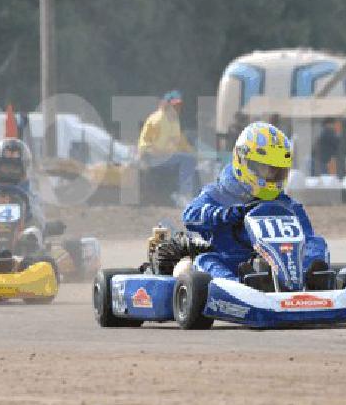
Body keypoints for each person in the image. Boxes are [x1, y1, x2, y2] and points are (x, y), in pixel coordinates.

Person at [182, 122, 329, 280]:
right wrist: (224, 214)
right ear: (243, 161)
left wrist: (311, 258)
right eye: (266, 169)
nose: (272, 177)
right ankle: (235, 290)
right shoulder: (219, 194)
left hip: (277, 265)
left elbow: (307, 237)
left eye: (278, 172)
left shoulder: (287, 205)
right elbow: (190, 215)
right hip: (231, 262)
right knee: (204, 261)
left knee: (318, 244)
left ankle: (310, 280)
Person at [137, 90, 197, 207]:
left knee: (190, 159)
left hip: (162, 155)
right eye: (174, 105)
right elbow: (156, 146)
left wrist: (194, 153)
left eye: (179, 105)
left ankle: (183, 194)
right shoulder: (158, 119)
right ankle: (184, 195)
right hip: (149, 155)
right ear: (166, 104)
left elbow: (180, 141)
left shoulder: (173, 120)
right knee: (187, 160)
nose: (177, 108)